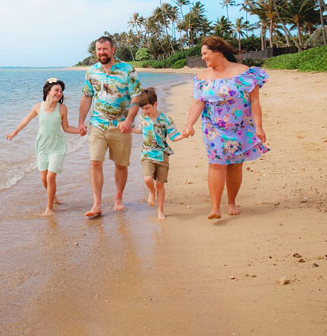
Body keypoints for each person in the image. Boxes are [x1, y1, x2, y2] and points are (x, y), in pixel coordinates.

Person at [183, 36, 268, 220]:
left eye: (205, 54)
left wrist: (259, 128)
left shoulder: (245, 73)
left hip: (241, 127)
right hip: (213, 127)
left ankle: (231, 202)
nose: (203, 58)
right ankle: (215, 207)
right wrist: (189, 124)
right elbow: (197, 103)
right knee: (216, 164)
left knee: (235, 165)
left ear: (218, 51)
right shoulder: (201, 78)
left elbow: (255, 102)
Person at [78, 36, 142, 217]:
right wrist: (81, 122)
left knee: (121, 164)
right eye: (98, 50)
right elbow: (86, 97)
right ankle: (97, 203)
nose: (101, 53)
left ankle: (118, 198)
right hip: (98, 124)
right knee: (95, 162)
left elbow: (136, 97)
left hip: (121, 125)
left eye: (105, 49)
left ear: (113, 50)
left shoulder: (128, 70)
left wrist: (129, 120)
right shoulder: (91, 72)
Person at [7, 78, 82, 217]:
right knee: (44, 179)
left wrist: (79, 130)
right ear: (48, 91)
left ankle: (49, 208)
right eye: (57, 90)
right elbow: (26, 120)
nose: (59, 93)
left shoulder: (62, 108)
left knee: (51, 176)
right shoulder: (38, 107)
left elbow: (66, 128)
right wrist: (14, 132)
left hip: (57, 147)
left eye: (61, 91)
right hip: (42, 147)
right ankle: (53, 196)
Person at [134, 87, 187, 221]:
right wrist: (128, 129)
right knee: (147, 179)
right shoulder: (142, 118)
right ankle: (151, 193)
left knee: (160, 184)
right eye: (142, 109)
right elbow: (141, 130)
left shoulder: (165, 120)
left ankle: (160, 211)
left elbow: (174, 136)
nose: (144, 111)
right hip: (146, 153)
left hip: (162, 155)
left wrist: (184, 135)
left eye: (147, 108)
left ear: (155, 104)